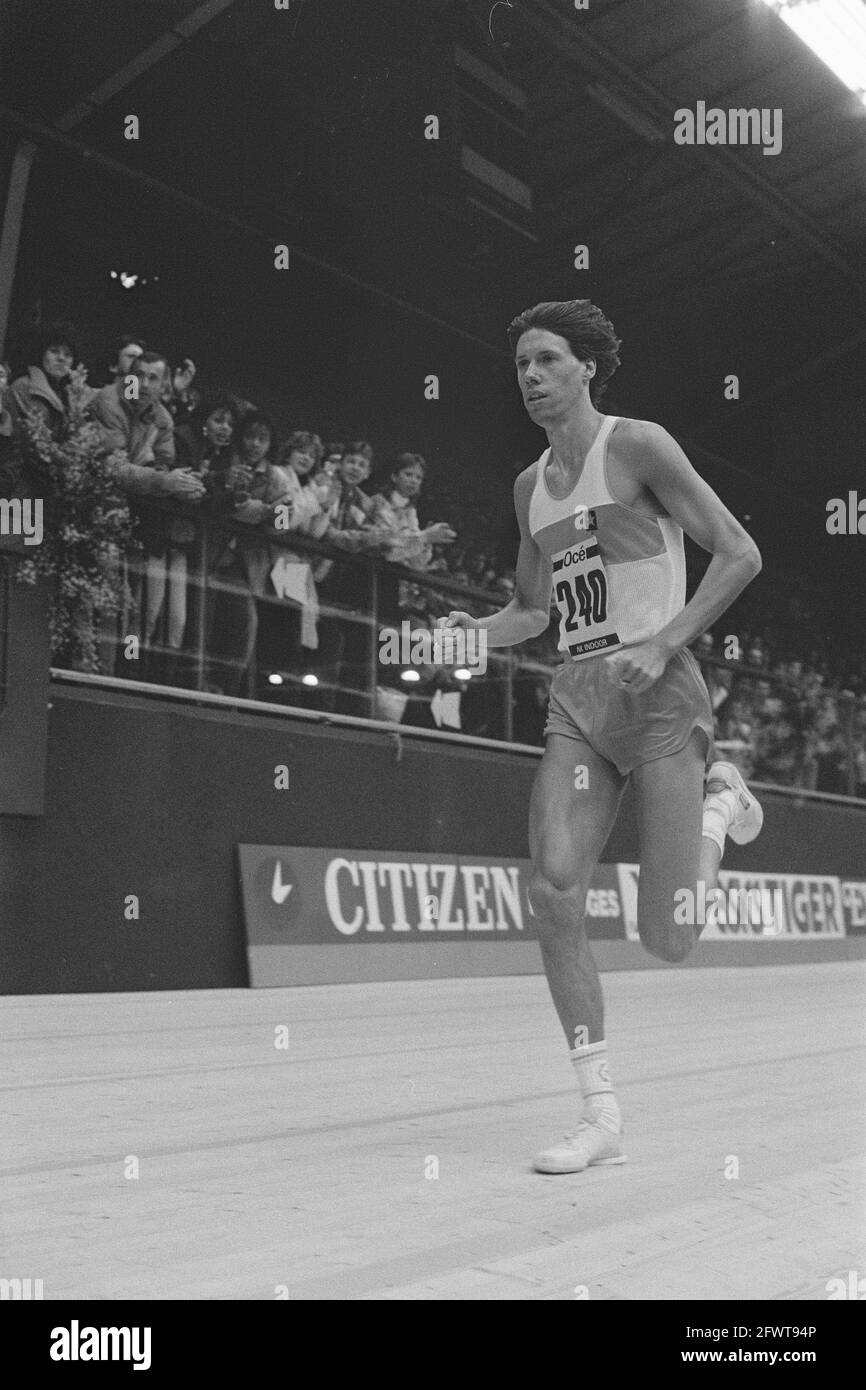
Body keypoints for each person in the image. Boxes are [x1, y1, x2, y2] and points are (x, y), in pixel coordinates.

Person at [439, 299, 765, 1175]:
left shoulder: (641, 447)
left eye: (548, 360)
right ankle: (600, 1114)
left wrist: (665, 642)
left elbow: (739, 552)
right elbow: (533, 610)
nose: (532, 377)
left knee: (670, 936)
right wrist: (470, 631)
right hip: (581, 700)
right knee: (552, 891)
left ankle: (717, 803)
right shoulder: (528, 487)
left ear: (588, 367)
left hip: (659, 696)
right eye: (521, 367)